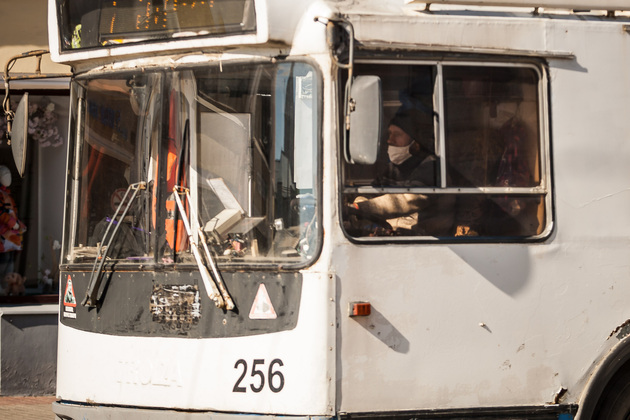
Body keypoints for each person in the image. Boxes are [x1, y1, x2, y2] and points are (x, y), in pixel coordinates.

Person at [347, 109, 454, 236]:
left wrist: (361, 208)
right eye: (390, 134)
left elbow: (407, 201)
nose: (390, 140)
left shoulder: (431, 167)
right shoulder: (394, 168)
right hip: (398, 237)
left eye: (397, 135)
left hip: (426, 239)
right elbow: (373, 193)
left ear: (416, 142)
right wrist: (358, 204)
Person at [0, 165, 26, 281]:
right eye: (4, 175)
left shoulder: (7, 194)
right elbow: (1, 213)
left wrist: (19, 225)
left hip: (11, 235)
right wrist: (12, 223)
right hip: (3, 234)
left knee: (10, 261)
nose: (8, 178)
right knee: (3, 261)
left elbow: (12, 213)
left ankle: (7, 287)